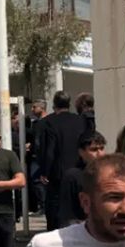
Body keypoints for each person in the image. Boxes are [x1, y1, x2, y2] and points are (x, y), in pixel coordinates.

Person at [35, 92, 86, 232]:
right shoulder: (80, 121)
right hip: (78, 169)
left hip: (57, 173)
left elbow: (48, 149)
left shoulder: (49, 122)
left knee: (55, 207)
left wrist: (45, 171)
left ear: (54, 104)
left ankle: (55, 233)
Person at [54, 130, 106, 229]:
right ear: (81, 152)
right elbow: (68, 215)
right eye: (94, 150)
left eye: (102, 148)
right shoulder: (73, 176)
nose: (100, 154)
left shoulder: (109, 174)